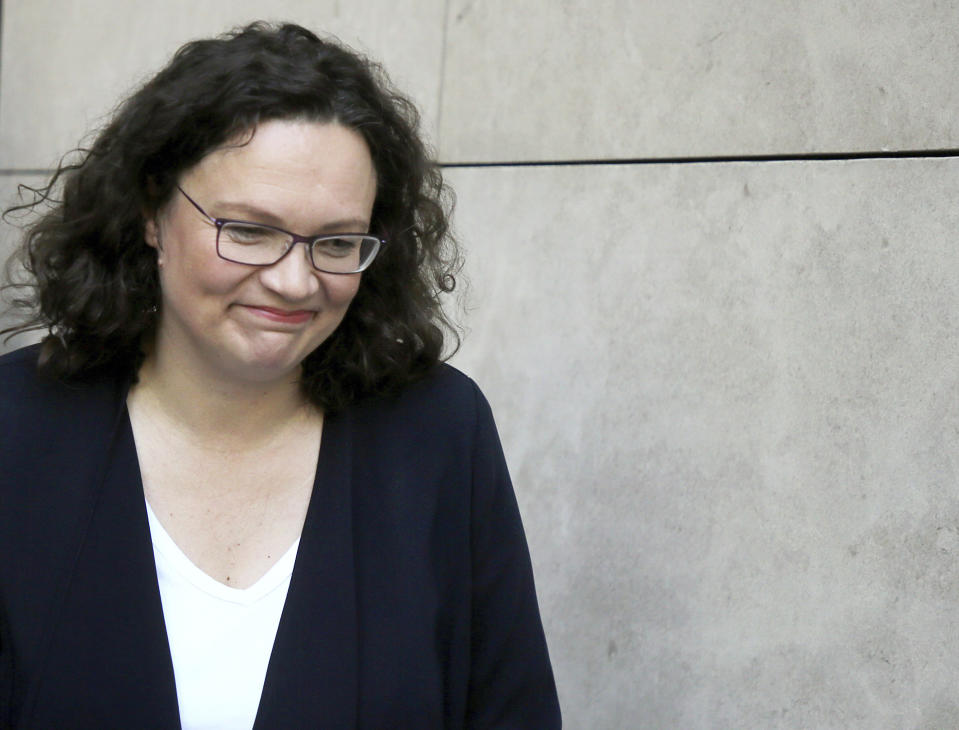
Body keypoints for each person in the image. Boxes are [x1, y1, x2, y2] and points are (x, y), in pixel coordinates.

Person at [0, 22, 560, 729]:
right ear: (151, 212)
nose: (295, 282)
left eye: (335, 242)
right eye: (248, 230)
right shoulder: (14, 427)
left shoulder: (437, 434)